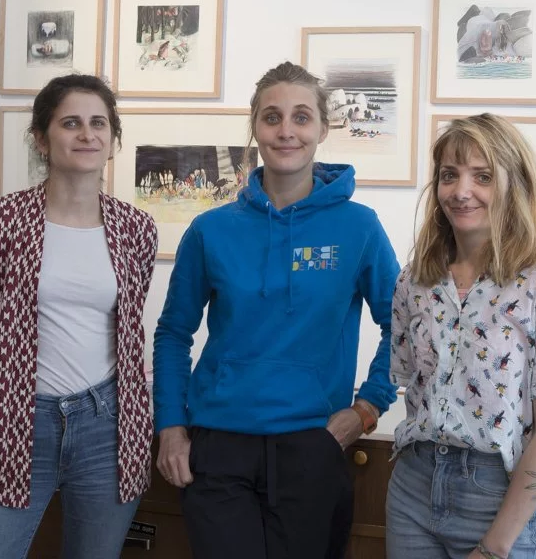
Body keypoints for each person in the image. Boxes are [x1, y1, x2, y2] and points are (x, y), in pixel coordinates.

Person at [151, 61, 400, 559]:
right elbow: (173, 333)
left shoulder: (360, 228)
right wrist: (171, 427)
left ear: (323, 129)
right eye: (272, 117)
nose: (287, 130)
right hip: (217, 445)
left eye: (301, 117)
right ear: (256, 129)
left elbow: (405, 327)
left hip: (313, 443)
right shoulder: (210, 230)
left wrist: (367, 408)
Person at [0, 74, 159, 559]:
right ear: (42, 138)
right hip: (13, 419)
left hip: (107, 426)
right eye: (71, 123)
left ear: (112, 138)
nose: (87, 134)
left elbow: (128, 330)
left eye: (99, 123)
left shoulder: (135, 228)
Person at [386, 113, 536, 559]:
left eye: (483, 176)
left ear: (514, 184)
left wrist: (497, 545)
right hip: (413, 487)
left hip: (499, 494)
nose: (461, 191)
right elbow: (415, 392)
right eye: (449, 176)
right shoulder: (414, 281)